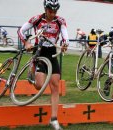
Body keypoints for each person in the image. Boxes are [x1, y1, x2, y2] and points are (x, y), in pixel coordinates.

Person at [18, 0, 69, 130]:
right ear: (45, 9)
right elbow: (21, 31)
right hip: (39, 52)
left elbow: (65, 35)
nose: (52, 14)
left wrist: (65, 44)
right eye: (50, 11)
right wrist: (26, 43)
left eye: (55, 11)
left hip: (52, 53)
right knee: (39, 86)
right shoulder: (36, 19)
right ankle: (32, 72)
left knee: (55, 85)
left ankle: (54, 119)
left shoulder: (60, 21)